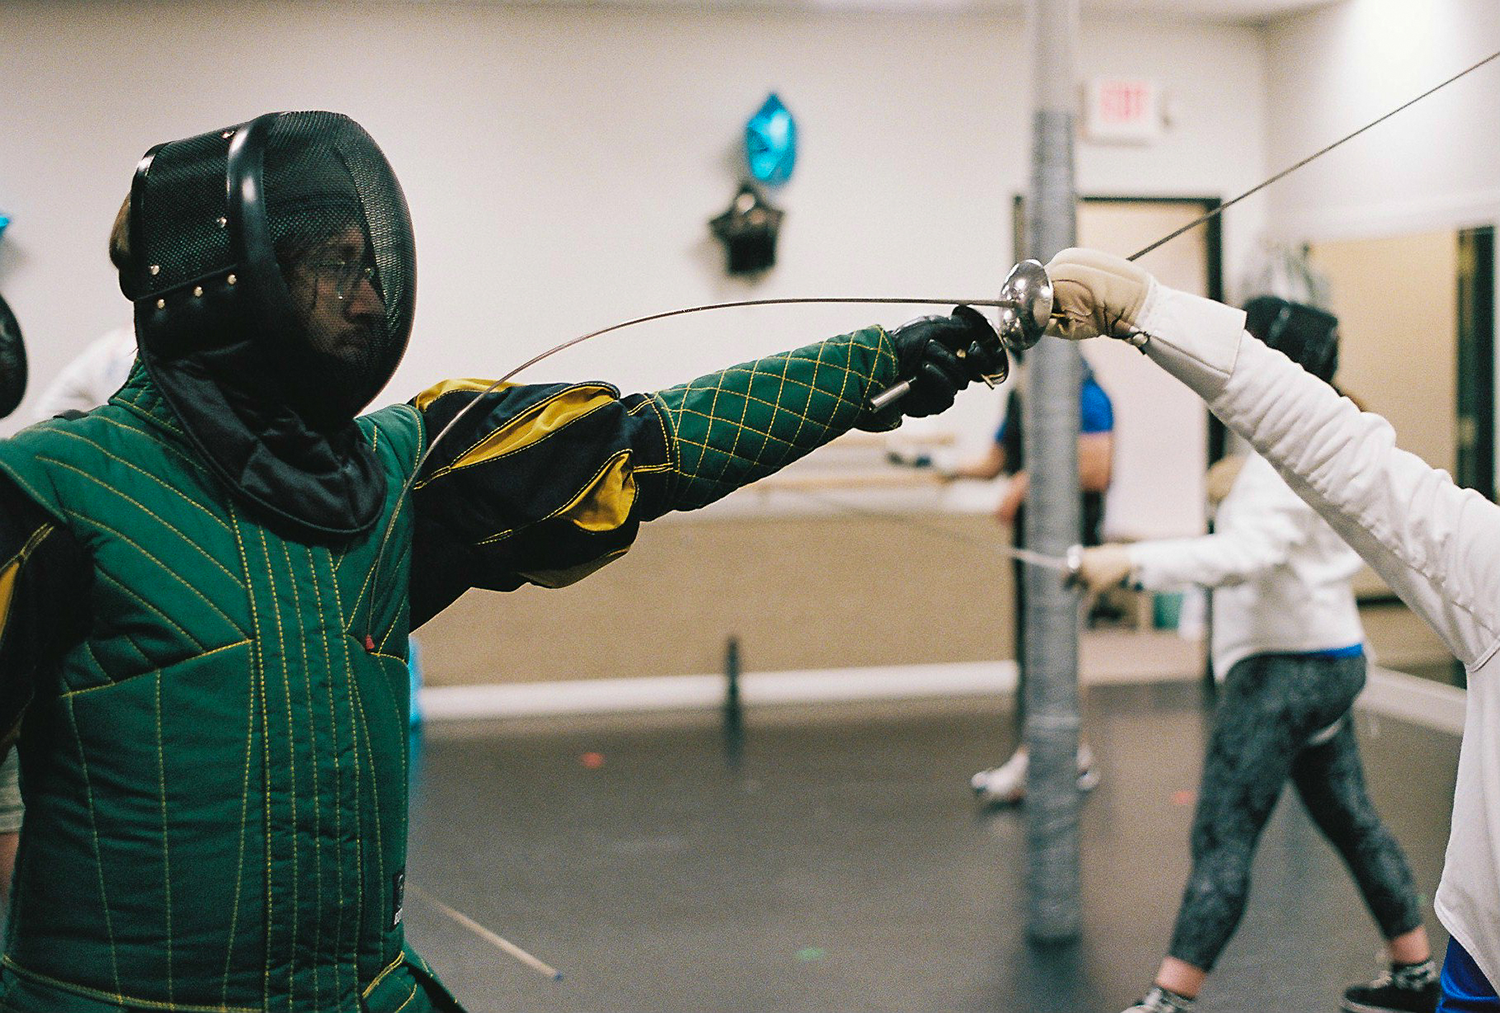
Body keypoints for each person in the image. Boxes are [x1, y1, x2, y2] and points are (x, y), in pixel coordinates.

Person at [0, 111, 1000, 1012]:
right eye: (333, 266)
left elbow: (649, 442)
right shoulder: (52, 487)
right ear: (226, 284)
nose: (367, 297)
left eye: (370, 265)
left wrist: (885, 361)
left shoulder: (394, 468)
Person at [1044, 246, 1498, 1013]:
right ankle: (1414, 966)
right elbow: (1340, 453)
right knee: (1352, 821)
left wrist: (1128, 563)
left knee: (1225, 831)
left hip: (1284, 670)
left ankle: (1169, 996)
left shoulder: (1286, 465)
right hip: (1329, 661)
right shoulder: (1289, 459)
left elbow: (1267, 530)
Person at [949, 351, 1113, 802]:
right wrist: (940, 467)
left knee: (1060, 648)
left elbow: (1097, 469)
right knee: (1031, 649)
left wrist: (1024, 482)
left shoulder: (1089, 396)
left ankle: (1057, 753)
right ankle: (1052, 752)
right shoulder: (1021, 397)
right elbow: (993, 461)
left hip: (1071, 545)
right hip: (1028, 541)